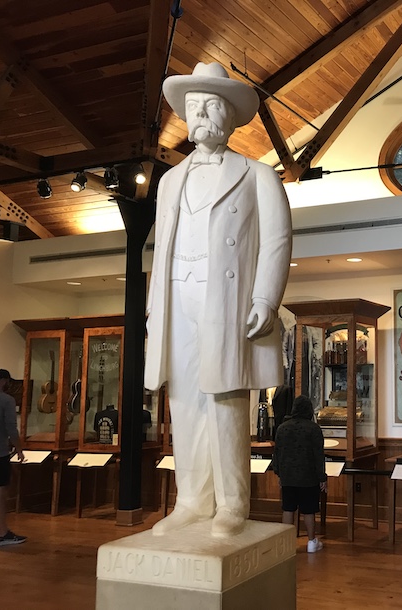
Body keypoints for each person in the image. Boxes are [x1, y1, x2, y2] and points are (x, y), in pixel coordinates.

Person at [144, 62, 292, 538]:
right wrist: (153, 309)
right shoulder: (169, 181)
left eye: (211, 106)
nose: (201, 115)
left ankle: (232, 503)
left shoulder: (256, 175)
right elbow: (161, 247)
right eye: (193, 107)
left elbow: (276, 239)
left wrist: (266, 297)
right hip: (177, 300)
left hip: (225, 299)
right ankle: (191, 499)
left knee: (226, 400)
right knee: (183, 399)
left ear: (229, 116)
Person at [273, 395, 327, 553]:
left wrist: (279, 473)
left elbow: (277, 453)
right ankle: (311, 542)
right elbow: (318, 455)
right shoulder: (313, 429)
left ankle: (286, 543)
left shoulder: (282, 428)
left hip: (287, 476)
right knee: (309, 509)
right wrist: (322, 477)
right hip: (308, 477)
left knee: (288, 508)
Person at [0, 369, 26, 546]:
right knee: (0, 492)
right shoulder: (6, 400)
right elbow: (11, 427)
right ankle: (2, 533)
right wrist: (20, 448)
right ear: (3, 381)